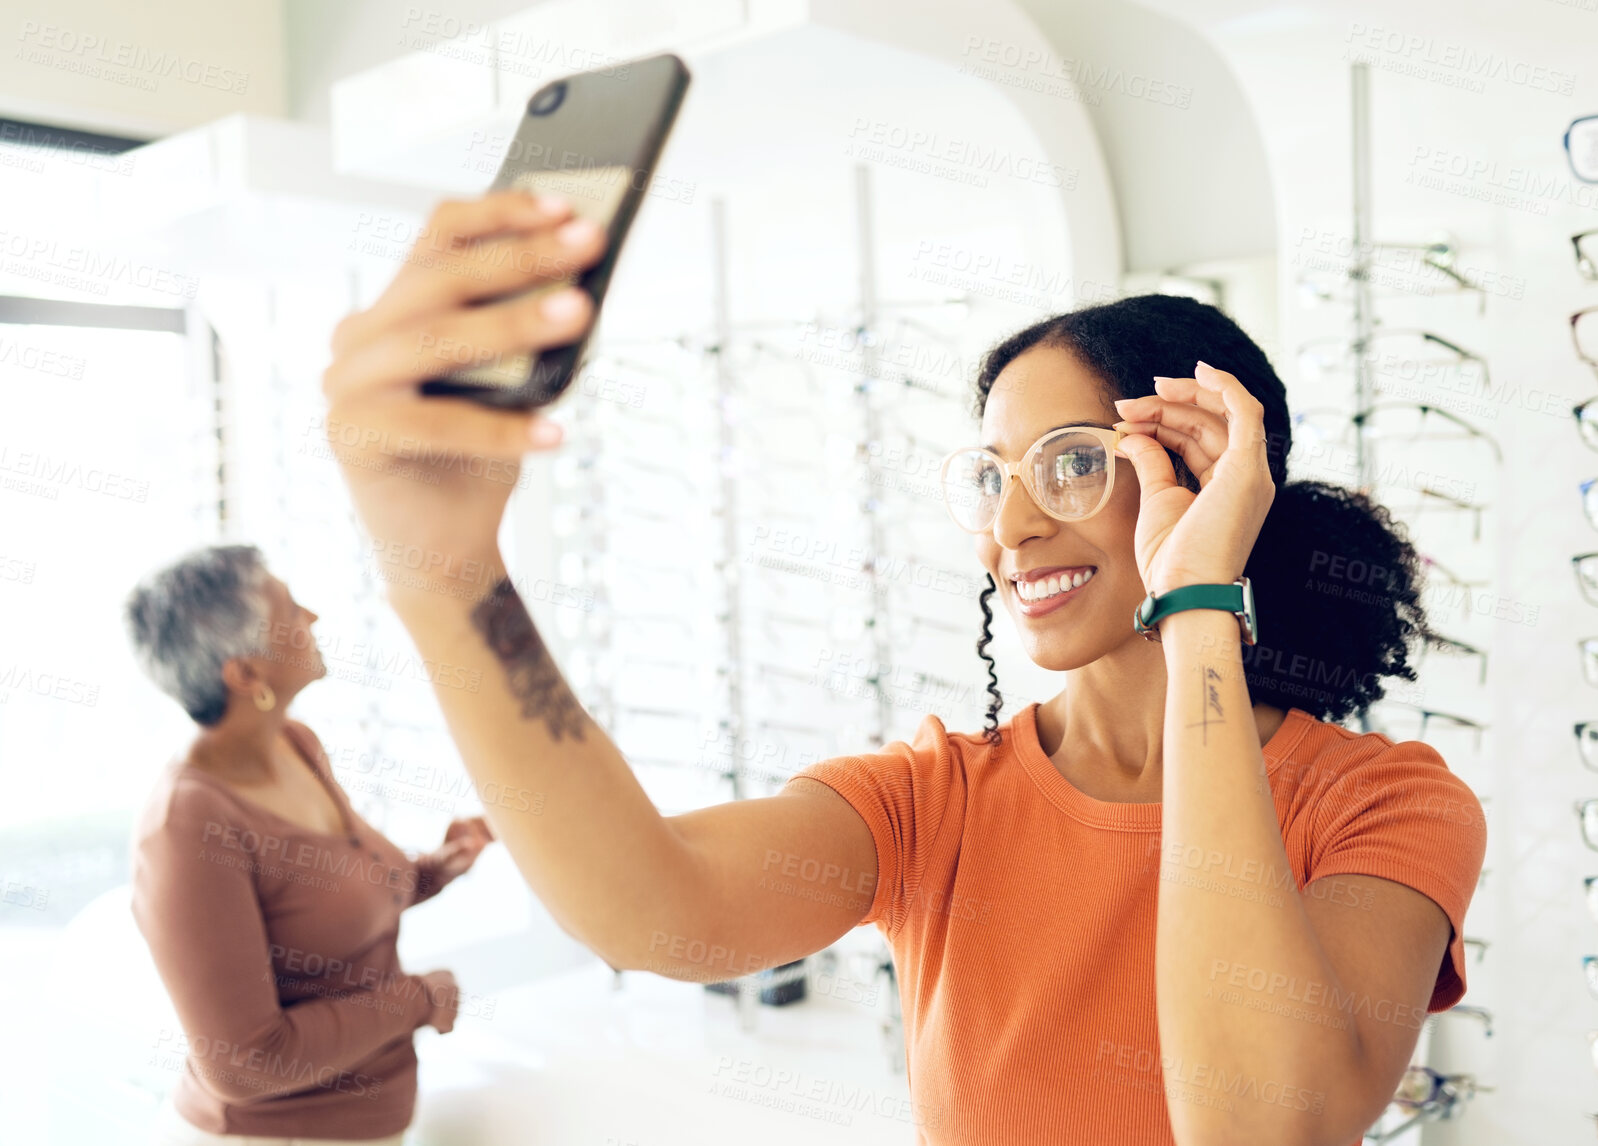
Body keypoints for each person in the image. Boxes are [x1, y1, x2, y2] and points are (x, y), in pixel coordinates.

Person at [317, 190, 1486, 1145]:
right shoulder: (936, 802)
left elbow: (1258, 1129)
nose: (1011, 528)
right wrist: (447, 570)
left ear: (1212, 476)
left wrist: (1194, 600)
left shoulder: (1385, 808)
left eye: (1072, 465)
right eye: (991, 476)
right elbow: (650, 911)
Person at [123, 544, 495, 1145]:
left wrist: (434, 871)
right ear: (245, 674)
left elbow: (324, 905)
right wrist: (417, 1001)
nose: (313, 618)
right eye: (291, 610)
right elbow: (244, 1063)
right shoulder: (187, 827)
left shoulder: (296, 744)